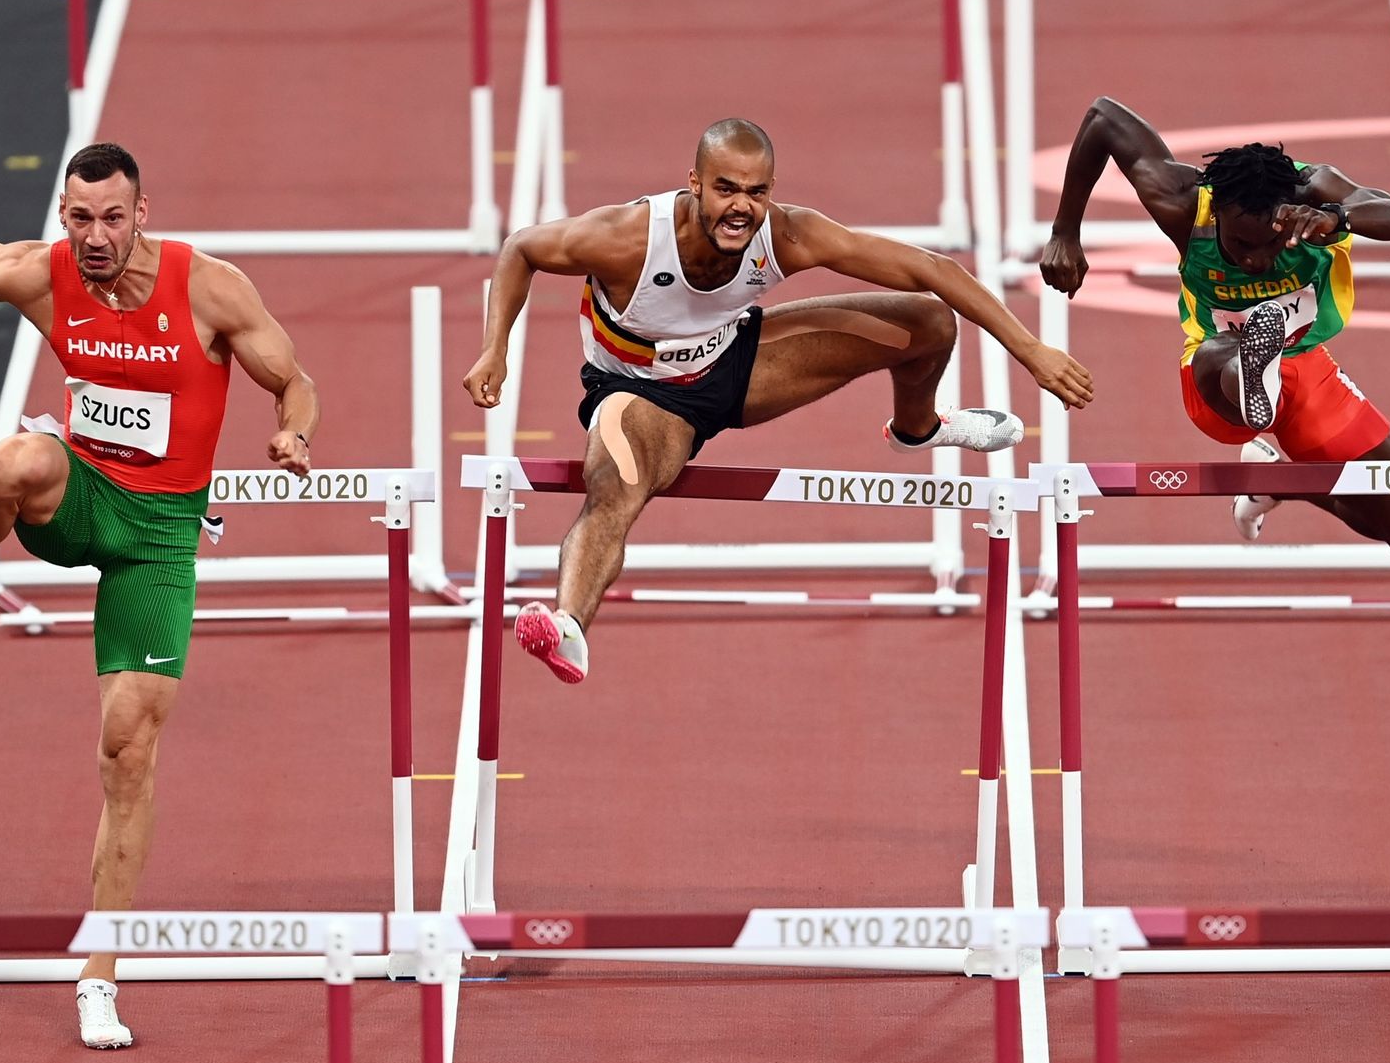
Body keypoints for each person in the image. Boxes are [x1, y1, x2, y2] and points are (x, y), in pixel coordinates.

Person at [0, 143, 319, 1049]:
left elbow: (294, 379)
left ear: (141, 212)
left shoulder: (208, 287)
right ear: (62, 213)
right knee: (12, 458)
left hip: (160, 540)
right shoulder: (41, 274)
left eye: (112, 218)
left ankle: (99, 975)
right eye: (78, 217)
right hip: (78, 500)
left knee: (127, 753)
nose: (95, 236)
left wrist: (292, 432)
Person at [462, 118, 1092, 685]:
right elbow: (522, 248)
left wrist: (1031, 350)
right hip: (642, 393)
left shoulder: (785, 233)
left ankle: (919, 428)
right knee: (616, 489)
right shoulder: (627, 238)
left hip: (738, 361)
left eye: (757, 193)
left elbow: (932, 268)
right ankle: (570, 625)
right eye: (726, 189)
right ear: (695, 185)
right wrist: (496, 349)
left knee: (927, 323)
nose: (742, 208)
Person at [1041, 96, 1390, 558]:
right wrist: (1064, 232)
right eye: (1239, 243)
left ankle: (1277, 482)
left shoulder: (1315, 192)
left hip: (1307, 368)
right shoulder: (1185, 205)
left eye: (1271, 242)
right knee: (1223, 351)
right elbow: (1103, 117)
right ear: (1217, 216)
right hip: (1218, 382)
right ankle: (1253, 378)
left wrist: (1338, 217)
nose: (1255, 259)